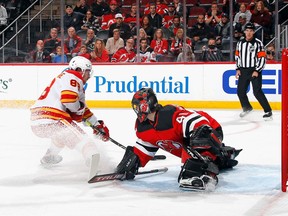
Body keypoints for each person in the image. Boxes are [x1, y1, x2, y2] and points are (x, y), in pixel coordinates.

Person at [115, 87, 241, 190]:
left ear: (145, 105)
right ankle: (223, 157)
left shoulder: (169, 115)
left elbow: (199, 122)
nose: (136, 110)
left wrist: (199, 133)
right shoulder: (143, 127)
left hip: (211, 128)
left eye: (137, 106)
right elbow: (146, 146)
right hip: (197, 141)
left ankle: (205, 172)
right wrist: (134, 161)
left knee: (198, 137)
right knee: (205, 150)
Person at [30, 56, 110, 166]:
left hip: (37, 123)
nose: (89, 75)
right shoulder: (72, 76)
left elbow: (83, 111)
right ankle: (93, 162)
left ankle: (49, 156)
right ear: (79, 70)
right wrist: (78, 109)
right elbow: (69, 100)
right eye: (87, 71)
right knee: (84, 141)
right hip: (53, 119)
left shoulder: (67, 80)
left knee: (61, 136)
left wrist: (97, 125)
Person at [235, 22, 272, 119]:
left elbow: (262, 58)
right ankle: (247, 108)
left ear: (254, 32)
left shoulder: (258, 43)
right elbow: (237, 56)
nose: (248, 33)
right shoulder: (240, 43)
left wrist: (257, 70)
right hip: (243, 70)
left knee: (257, 92)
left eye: (251, 31)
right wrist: (238, 68)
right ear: (244, 32)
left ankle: (268, 111)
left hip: (254, 70)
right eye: (247, 30)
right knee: (240, 91)